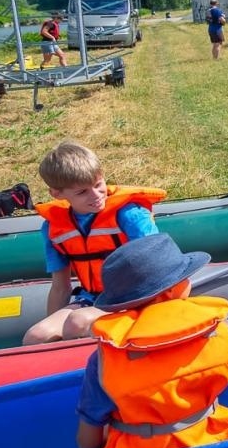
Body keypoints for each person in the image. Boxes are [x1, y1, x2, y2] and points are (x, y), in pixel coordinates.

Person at [50, 233, 228, 448]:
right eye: (186, 277)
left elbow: (88, 442)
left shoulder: (106, 358)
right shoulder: (216, 329)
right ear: (173, 291)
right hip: (210, 437)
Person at [23, 140, 164, 345]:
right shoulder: (53, 228)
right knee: (36, 336)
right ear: (57, 194)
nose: (96, 195)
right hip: (94, 298)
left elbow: (158, 267)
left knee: (78, 322)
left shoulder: (130, 215)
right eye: (82, 192)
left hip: (136, 296)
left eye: (98, 185)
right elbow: (60, 287)